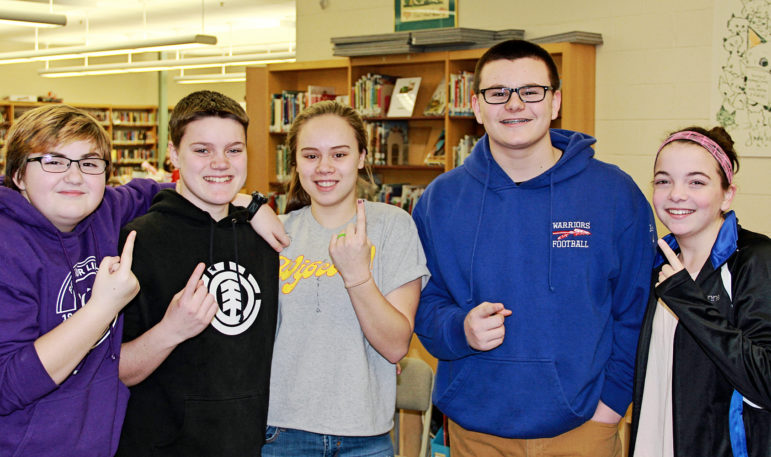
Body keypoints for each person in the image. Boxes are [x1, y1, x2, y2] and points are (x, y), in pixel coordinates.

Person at [411, 39, 657, 456]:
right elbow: (423, 301)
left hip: (583, 428)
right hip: (476, 429)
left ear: (555, 100)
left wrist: (612, 406)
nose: (514, 104)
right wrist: (460, 328)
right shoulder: (439, 200)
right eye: (498, 93)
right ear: (476, 105)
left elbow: (637, 309)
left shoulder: (614, 194)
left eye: (531, 91)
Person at [116, 90, 279, 456]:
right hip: (160, 446)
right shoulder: (138, 240)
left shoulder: (265, 236)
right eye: (202, 150)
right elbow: (116, 370)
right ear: (174, 154)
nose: (220, 163)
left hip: (250, 443)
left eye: (234, 150)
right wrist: (171, 331)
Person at [262, 100, 429, 457]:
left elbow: (396, 345)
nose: (324, 168)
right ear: (294, 163)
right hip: (283, 431)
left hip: (364, 435)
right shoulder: (276, 232)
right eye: (310, 156)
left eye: (339, 154)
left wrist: (357, 276)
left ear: (362, 157)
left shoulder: (393, 226)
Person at [0, 104, 159, 456]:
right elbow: (6, 385)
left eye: (89, 163)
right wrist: (102, 308)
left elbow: (161, 191)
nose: (74, 177)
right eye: (53, 161)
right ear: (19, 175)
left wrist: (247, 206)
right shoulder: (6, 246)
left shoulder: (104, 211)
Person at [629, 127, 771, 457]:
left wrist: (688, 298)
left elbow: (765, 380)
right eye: (664, 181)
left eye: (696, 182)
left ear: (727, 194)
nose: (676, 194)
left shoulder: (754, 259)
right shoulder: (658, 263)